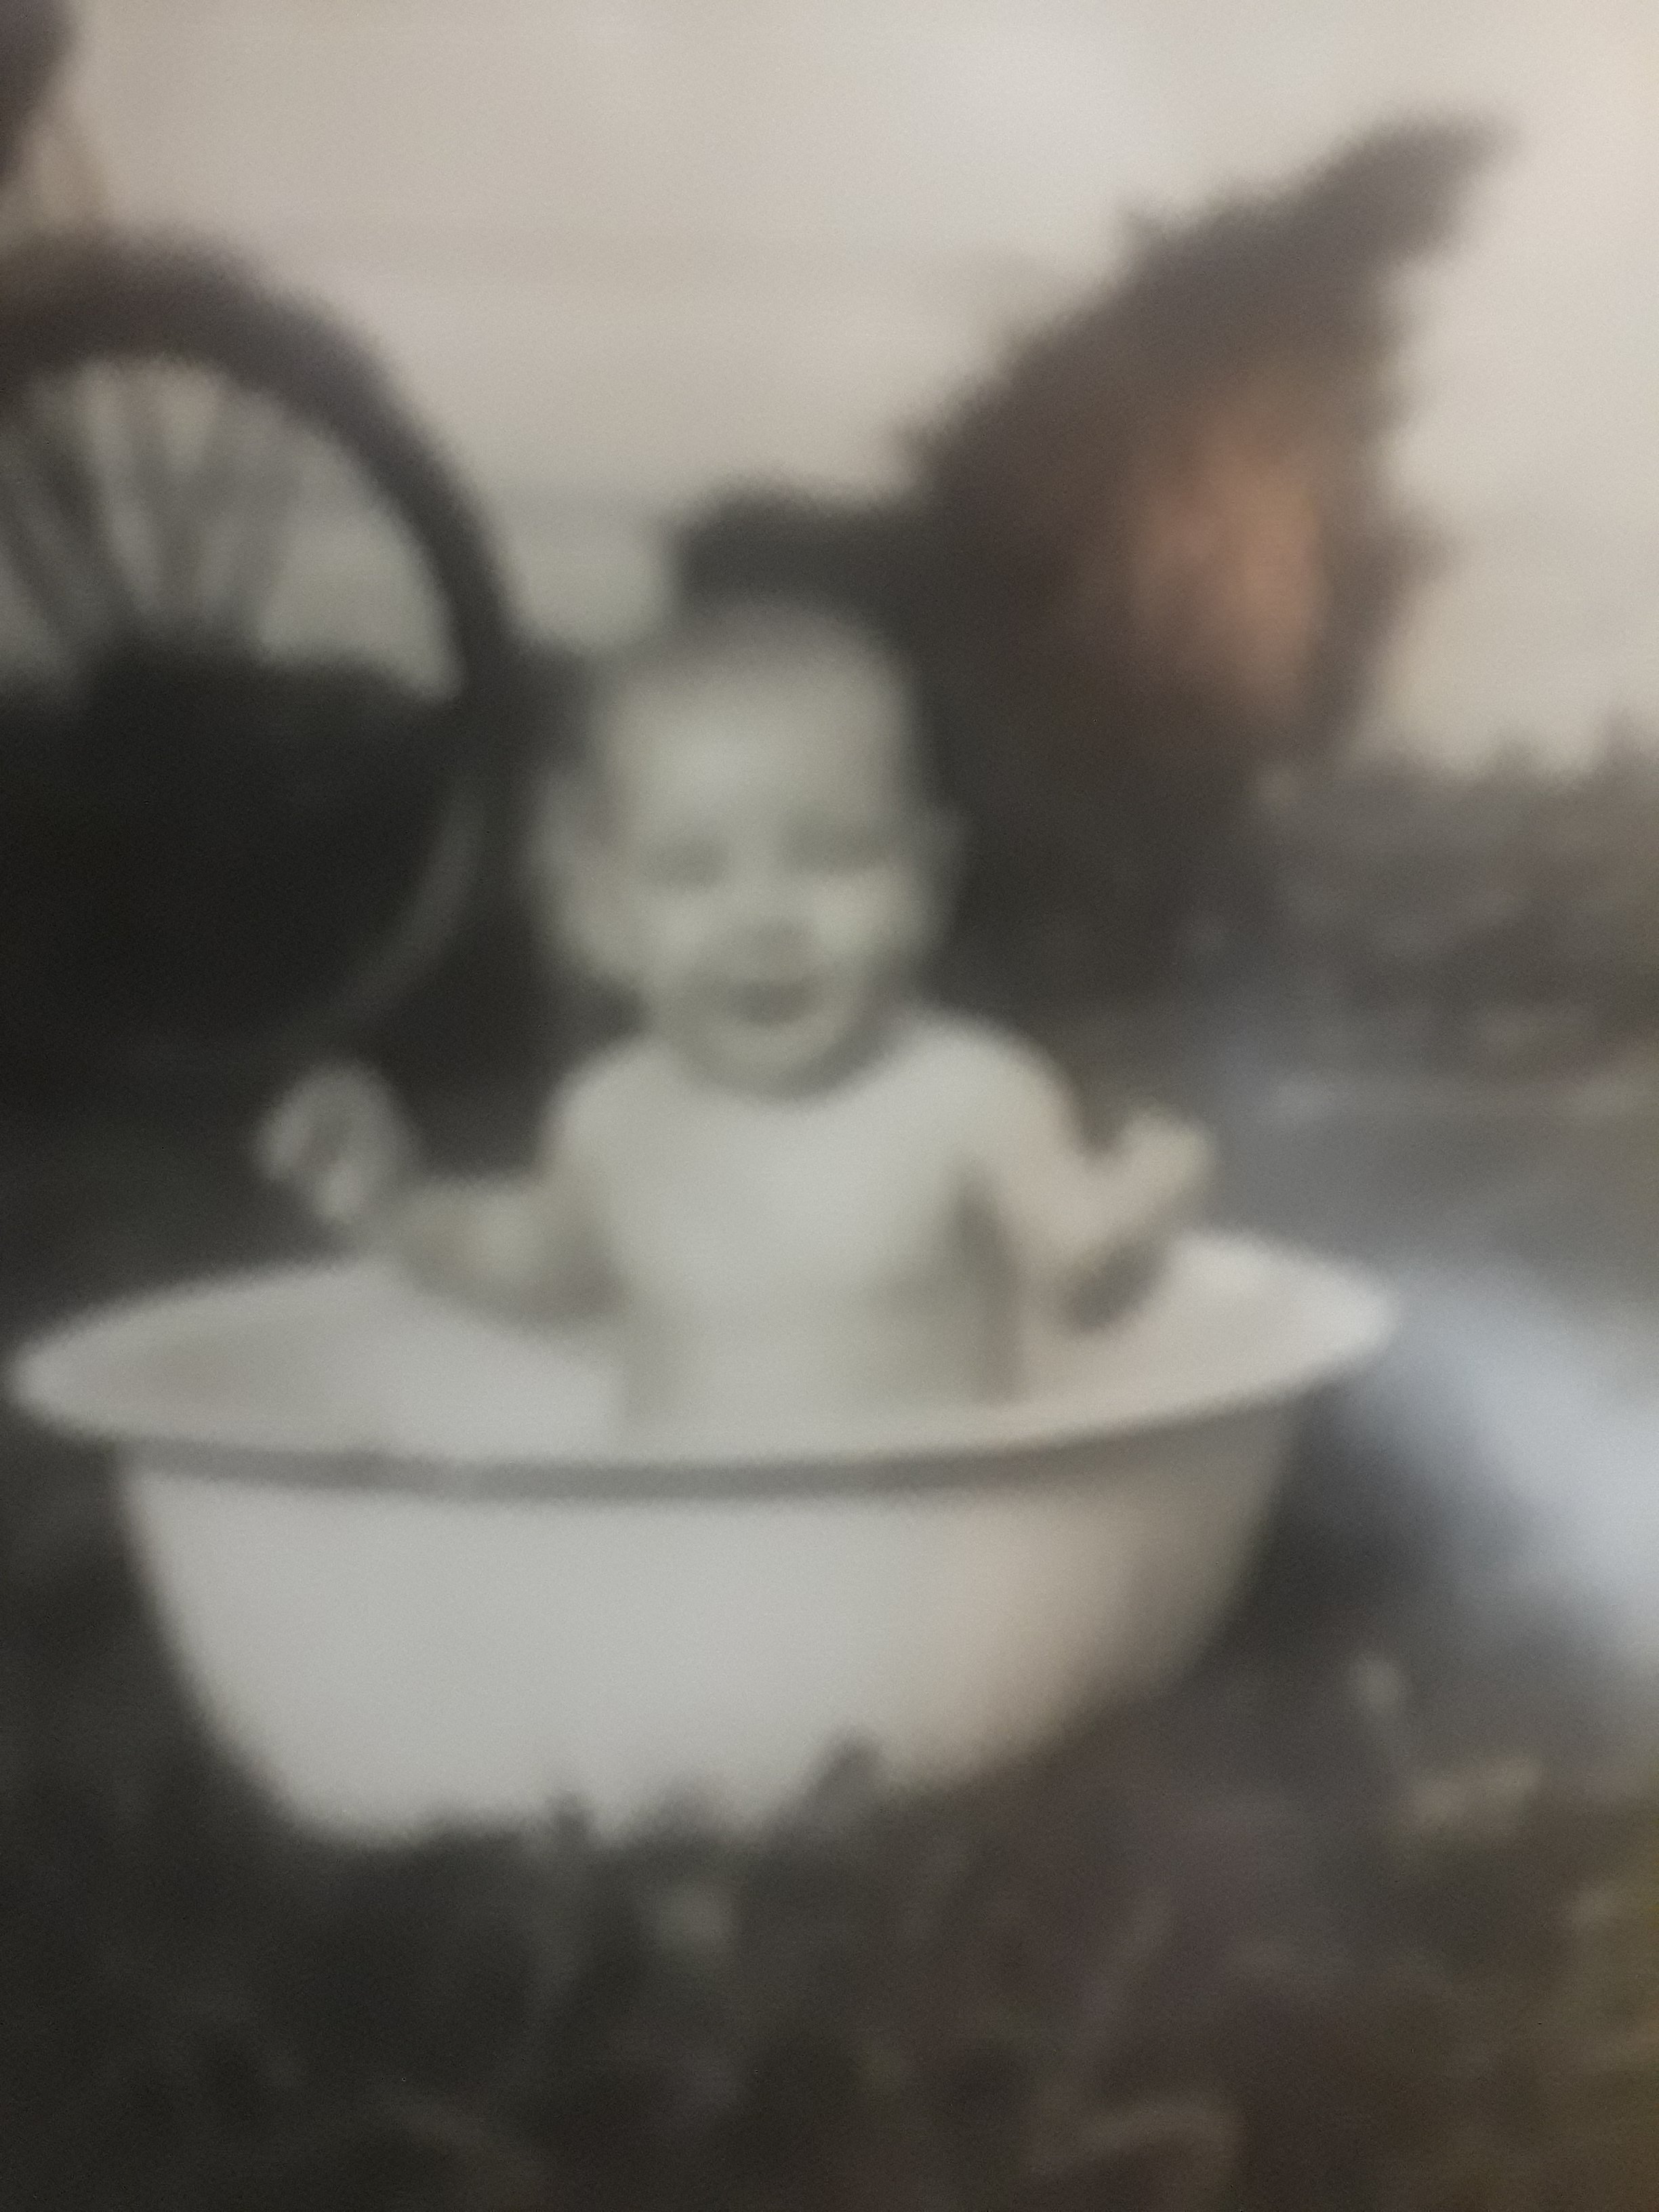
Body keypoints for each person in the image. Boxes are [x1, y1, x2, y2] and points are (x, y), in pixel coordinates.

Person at [258, 599, 1214, 1429]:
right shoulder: (612, 1117)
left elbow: (1075, 1265)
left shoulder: (972, 1095)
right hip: (690, 1551)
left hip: (923, 1547)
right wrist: (395, 1203)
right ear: (606, 915)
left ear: (926, 883)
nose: (763, 918)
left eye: (832, 856)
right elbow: (534, 1266)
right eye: (690, 871)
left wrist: (1122, 1227)